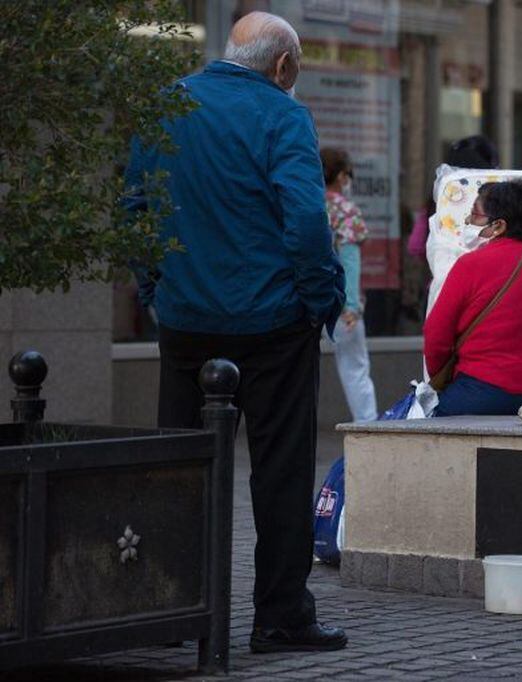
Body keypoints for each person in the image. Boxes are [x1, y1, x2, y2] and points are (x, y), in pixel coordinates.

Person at [124, 11, 348, 653]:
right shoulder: (282, 115)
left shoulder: (169, 104)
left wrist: (156, 293)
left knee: (183, 467)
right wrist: (318, 301)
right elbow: (306, 223)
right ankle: (279, 617)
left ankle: (171, 605)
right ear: (283, 66)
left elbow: (134, 209)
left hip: (187, 323)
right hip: (273, 322)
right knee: (279, 475)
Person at [424, 180, 522, 417]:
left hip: (479, 392)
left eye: (475, 215)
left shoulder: (470, 265)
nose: (468, 222)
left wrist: (441, 378)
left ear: (498, 226)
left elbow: (436, 334)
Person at [321, 147, 378, 422]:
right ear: (342, 176)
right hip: (340, 302)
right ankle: (367, 427)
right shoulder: (346, 210)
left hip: (302, 299)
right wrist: (351, 305)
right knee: (355, 368)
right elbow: (349, 259)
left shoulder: (305, 202)